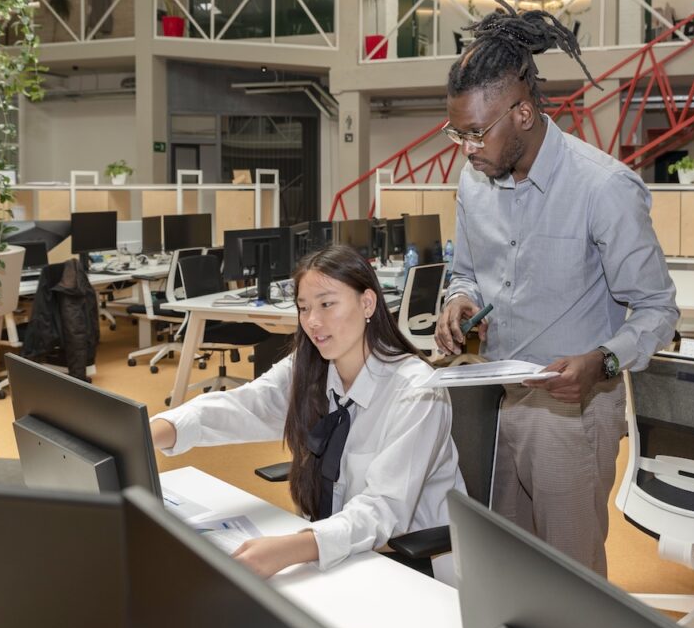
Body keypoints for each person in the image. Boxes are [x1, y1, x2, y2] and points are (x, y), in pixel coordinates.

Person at [435, 1, 679, 576]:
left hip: (573, 412)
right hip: (494, 400)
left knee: (570, 577)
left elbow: (657, 308)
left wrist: (606, 362)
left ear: (522, 113)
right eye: (457, 133)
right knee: (502, 565)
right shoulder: (475, 183)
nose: (467, 149)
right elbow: (463, 271)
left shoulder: (604, 189)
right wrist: (458, 301)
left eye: (475, 133)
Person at [150, 244, 464, 578]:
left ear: (367, 302)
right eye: (304, 308)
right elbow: (247, 404)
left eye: (327, 304)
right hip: (334, 549)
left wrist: (293, 548)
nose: (313, 321)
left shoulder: (417, 392)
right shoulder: (310, 366)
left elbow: (382, 510)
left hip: (407, 566)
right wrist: (155, 428)